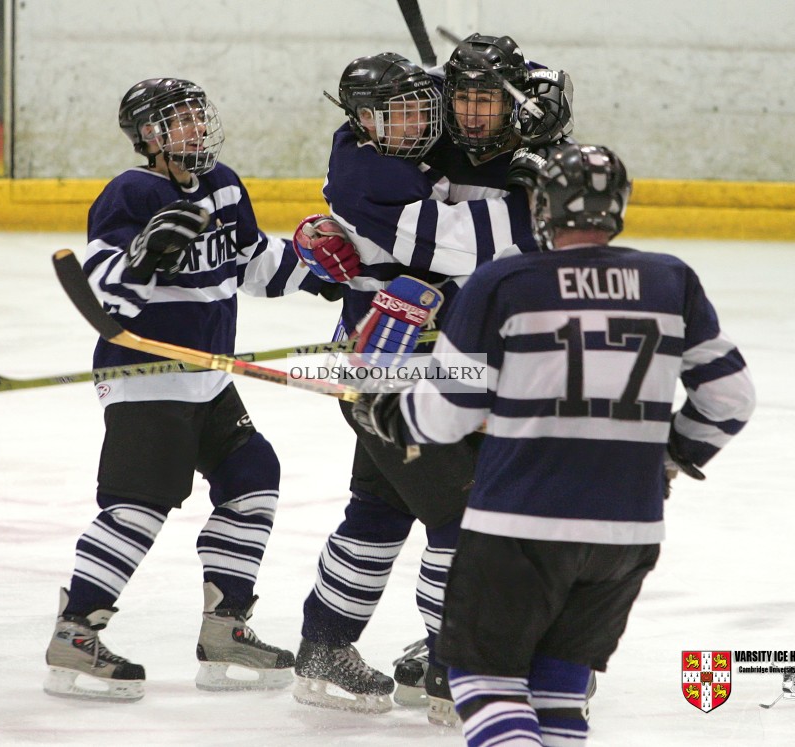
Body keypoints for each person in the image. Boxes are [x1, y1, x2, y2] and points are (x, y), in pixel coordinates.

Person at [352, 142, 757, 745]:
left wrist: (389, 411)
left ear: (543, 207)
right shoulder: (671, 280)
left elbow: (448, 413)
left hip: (522, 522)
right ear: (617, 206)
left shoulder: (505, 281)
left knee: (481, 684)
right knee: (558, 691)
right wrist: (670, 457)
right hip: (628, 532)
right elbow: (729, 399)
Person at [43, 77, 359, 701]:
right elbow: (104, 293)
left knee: (252, 478)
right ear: (149, 138)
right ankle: (75, 633)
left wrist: (319, 271)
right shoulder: (129, 193)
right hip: (147, 380)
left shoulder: (224, 183)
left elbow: (254, 267)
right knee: (140, 504)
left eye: (196, 116)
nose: (195, 128)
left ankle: (225, 627)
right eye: (178, 121)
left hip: (208, 380)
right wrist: (143, 256)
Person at [293, 40, 573, 723]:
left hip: (467, 374)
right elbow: (459, 245)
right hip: (393, 378)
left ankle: (325, 648)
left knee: (379, 512)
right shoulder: (370, 157)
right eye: (463, 99)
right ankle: (456, 667)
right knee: (464, 519)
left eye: (486, 100)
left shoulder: (466, 143)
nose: (466, 115)